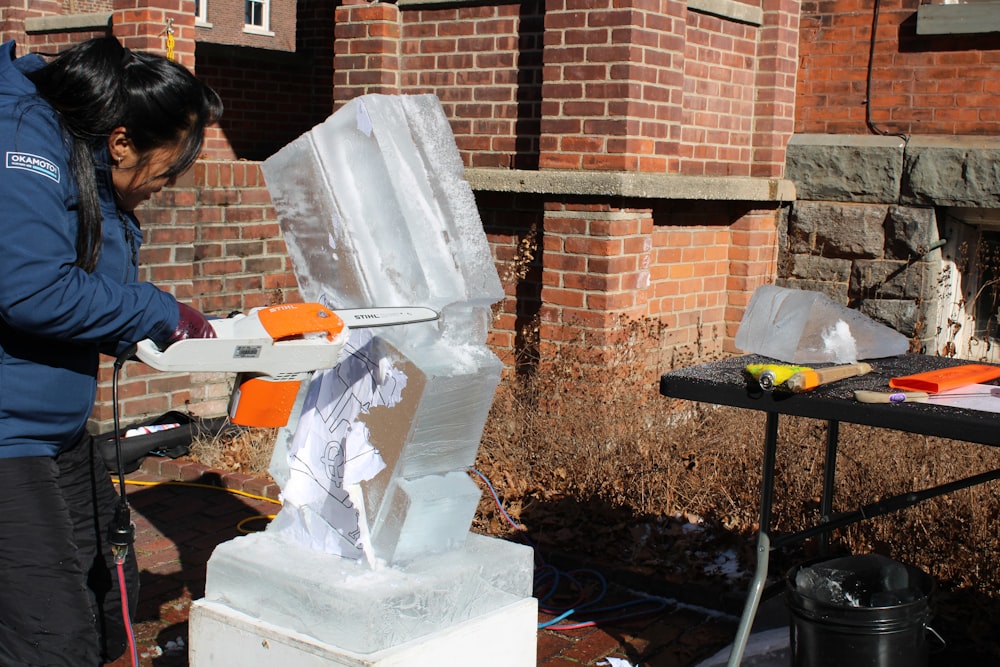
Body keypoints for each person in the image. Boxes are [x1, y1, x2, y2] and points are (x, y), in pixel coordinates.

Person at [0, 34, 223, 665]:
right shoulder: (21, 138)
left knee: (112, 594)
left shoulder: (83, 154)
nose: (170, 183)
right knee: (50, 636)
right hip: (7, 436)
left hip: (56, 431)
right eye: (171, 166)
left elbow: (91, 290)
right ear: (122, 140)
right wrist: (156, 309)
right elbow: (33, 287)